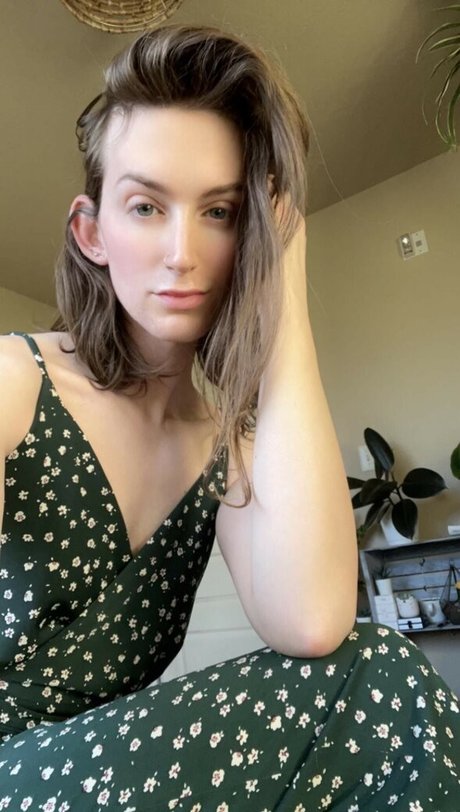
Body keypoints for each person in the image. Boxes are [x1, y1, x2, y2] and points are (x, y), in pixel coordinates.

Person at [0, 24, 458, 811]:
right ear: (92, 232)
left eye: (220, 212)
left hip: (104, 782)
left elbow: (314, 625)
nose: (182, 251)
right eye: (146, 206)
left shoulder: (226, 453)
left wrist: (283, 299)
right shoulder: (16, 382)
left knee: (374, 674)